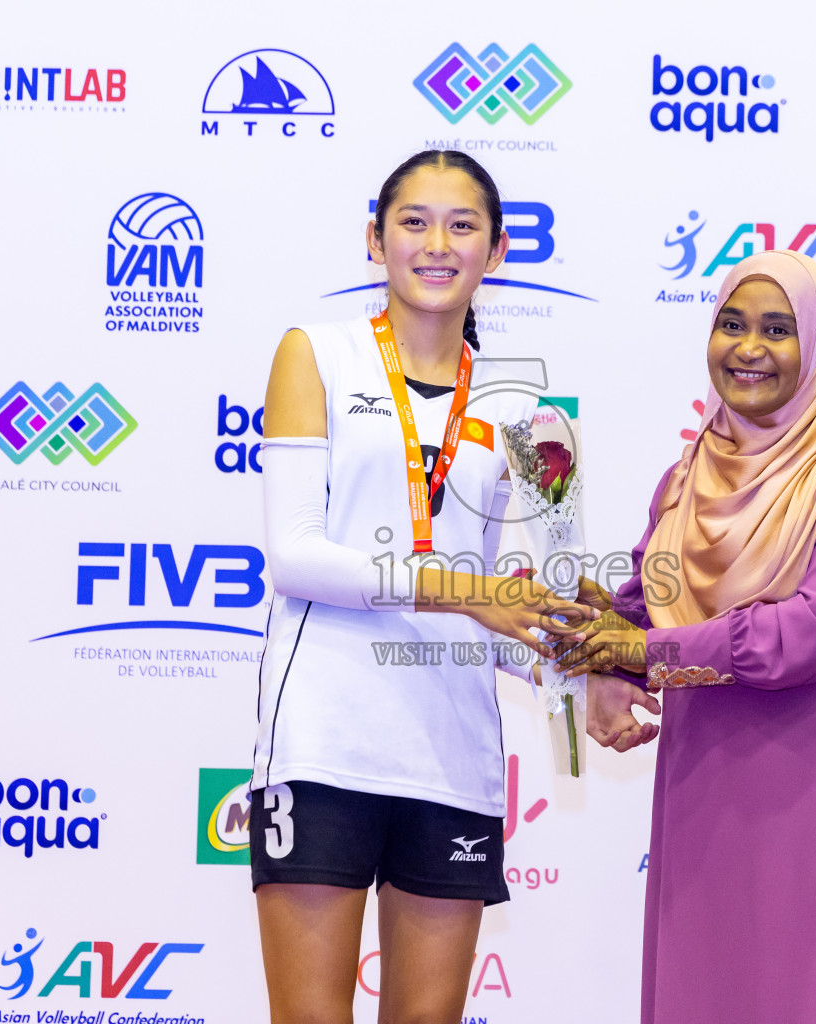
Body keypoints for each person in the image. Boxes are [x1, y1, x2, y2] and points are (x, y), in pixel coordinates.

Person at [557, 250, 816, 1022]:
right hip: (708, 805)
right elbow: (648, 609)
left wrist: (645, 654)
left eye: (778, 330)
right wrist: (594, 650)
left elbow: (812, 632)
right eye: (731, 324)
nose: (748, 348)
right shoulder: (691, 474)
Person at [253, 150, 590, 1023]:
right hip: (324, 744)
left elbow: (535, 603)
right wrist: (465, 591)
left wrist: (593, 678)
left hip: (452, 755)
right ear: (375, 239)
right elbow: (294, 557)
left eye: (463, 224)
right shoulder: (315, 355)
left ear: (499, 248)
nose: (437, 244)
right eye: (413, 221)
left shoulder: (526, 405)